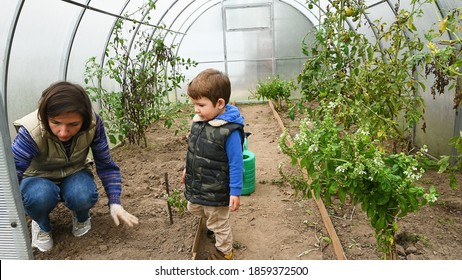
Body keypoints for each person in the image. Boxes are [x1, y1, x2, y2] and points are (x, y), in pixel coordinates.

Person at [11, 81, 139, 252]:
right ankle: (42, 225)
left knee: (83, 194)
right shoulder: (31, 131)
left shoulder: (93, 125)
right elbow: (12, 174)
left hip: (75, 172)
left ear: (84, 121)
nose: (63, 132)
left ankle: (81, 216)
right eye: (56, 123)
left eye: (73, 125)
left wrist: (115, 202)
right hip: (37, 176)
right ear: (45, 116)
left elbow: (106, 165)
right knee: (39, 196)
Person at [182, 68, 245, 260]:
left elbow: (236, 163)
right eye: (194, 104)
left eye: (201, 104)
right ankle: (214, 228)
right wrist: (187, 168)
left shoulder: (230, 132)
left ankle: (224, 252)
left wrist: (235, 191)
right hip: (200, 183)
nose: (196, 109)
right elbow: (193, 149)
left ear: (220, 103)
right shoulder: (200, 122)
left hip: (217, 188)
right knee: (194, 208)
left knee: (219, 221)